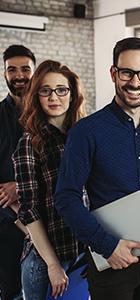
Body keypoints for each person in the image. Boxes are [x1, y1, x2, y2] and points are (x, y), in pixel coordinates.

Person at [54, 37, 140, 300]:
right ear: (113, 73)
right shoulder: (86, 131)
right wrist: (107, 246)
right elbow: (65, 197)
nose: (136, 83)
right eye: (127, 72)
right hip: (110, 260)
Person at [12, 60, 87, 300]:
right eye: (45, 90)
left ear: (72, 94)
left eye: (61, 89)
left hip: (83, 253)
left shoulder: (84, 136)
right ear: (37, 96)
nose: (54, 97)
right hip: (46, 262)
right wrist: (53, 265)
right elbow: (29, 211)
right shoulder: (30, 142)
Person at [0, 45, 35, 300]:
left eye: (25, 69)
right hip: (5, 222)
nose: (19, 75)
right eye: (12, 70)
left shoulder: (47, 112)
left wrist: (19, 187)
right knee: (11, 290)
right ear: (4, 75)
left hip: (46, 216)